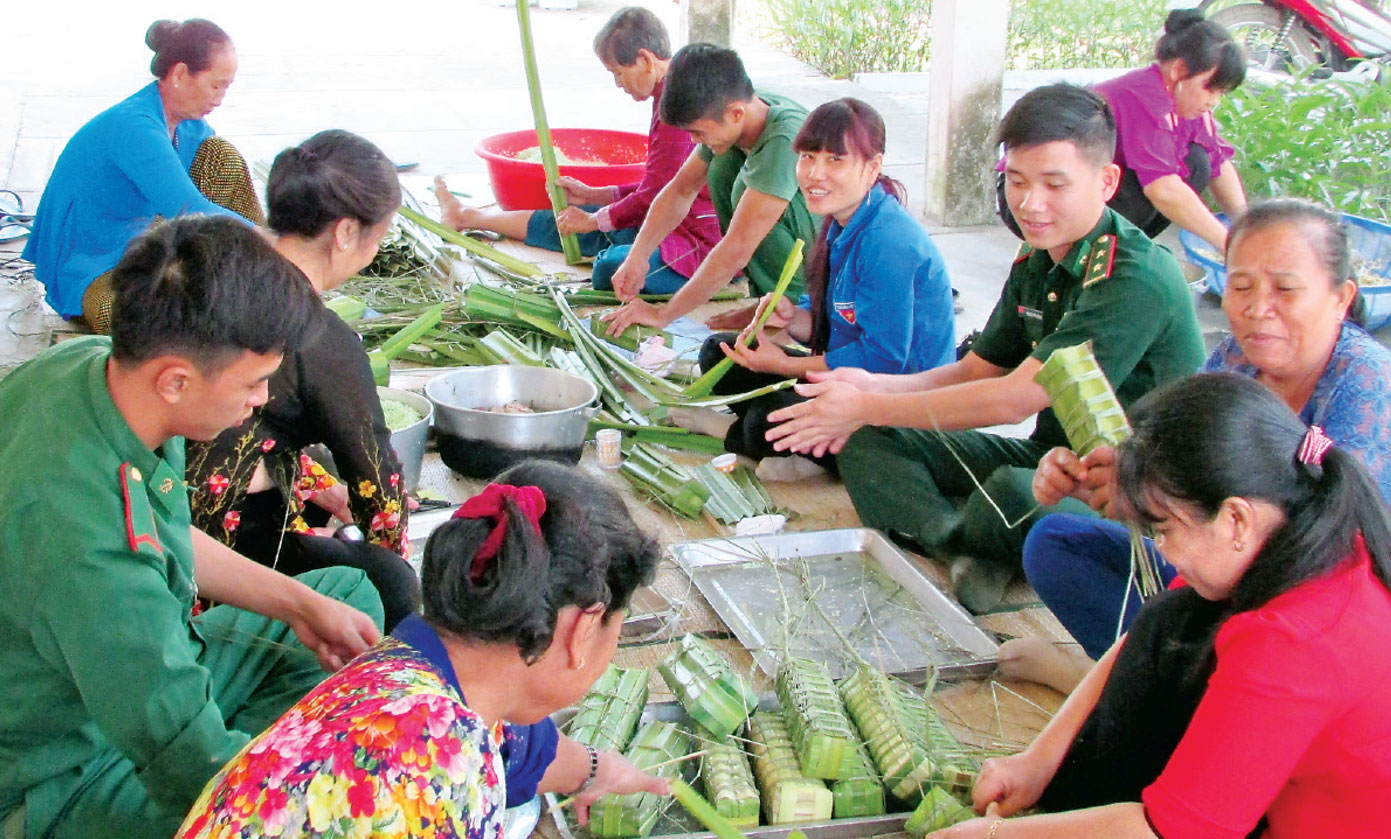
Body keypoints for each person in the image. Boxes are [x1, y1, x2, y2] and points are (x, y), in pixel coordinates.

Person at [0, 216, 384, 839]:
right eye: (254, 382)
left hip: (123, 669)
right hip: (60, 768)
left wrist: (299, 605)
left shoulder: (97, 368)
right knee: (294, 813)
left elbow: (165, 531)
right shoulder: (93, 556)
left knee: (345, 601)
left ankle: (269, 753)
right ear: (176, 380)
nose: (262, 401)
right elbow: (177, 742)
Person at [764, 84, 1205, 615]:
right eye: (1016, 181)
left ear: (1106, 182)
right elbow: (975, 368)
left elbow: (1014, 399)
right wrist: (869, 389)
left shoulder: (1133, 276)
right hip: (1050, 458)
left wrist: (865, 401)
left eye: (1054, 184)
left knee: (1016, 493)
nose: (1029, 203)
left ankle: (977, 537)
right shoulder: (1037, 257)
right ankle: (960, 543)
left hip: (1126, 490)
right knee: (871, 439)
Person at [928, 373, 1391, 839]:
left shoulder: (1295, 641)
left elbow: (1168, 833)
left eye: (1164, 530)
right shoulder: (1308, 535)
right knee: (1166, 620)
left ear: (1235, 518)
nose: (1161, 550)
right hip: (1283, 788)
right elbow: (1141, 636)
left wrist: (988, 836)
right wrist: (1035, 762)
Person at [1007, 198, 1391, 690]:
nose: (1256, 308)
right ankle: (1142, 683)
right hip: (1213, 574)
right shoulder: (1233, 359)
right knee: (1054, 543)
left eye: (1285, 289)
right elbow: (1180, 481)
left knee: (1194, 602)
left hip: (1304, 609)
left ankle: (1120, 687)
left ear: (1341, 298)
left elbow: (1326, 563)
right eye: (1240, 286)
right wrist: (1109, 485)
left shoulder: (1366, 387)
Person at [177, 461, 669, 838]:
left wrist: (598, 770)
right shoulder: (451, 766)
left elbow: (515, 747)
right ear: (583, 630)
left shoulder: (407, 663)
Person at [186, 130, 421, 631]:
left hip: (161, 498)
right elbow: (379, 488)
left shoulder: (221, 271)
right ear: (345, 233)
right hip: (204, 551)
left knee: (311, 467)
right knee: (392, 584)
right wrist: (392, 563)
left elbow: (257, 433)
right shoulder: (319, 337)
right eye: (378, 236)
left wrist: (322, 489)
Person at [677, 98, 955, 482]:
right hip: (846, 378)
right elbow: (833, 324)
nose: (815, 174)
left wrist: (787, 366)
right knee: (720, 352)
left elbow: (883, 360)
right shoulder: (843, 222)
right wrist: (793, 317)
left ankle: (735, 435)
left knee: (765, 419)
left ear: (873, 167)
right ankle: (801, 448)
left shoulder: (888, 241)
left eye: (835, 160)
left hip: (895, 406)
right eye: (808, 157)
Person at [434, 8, 720, 295]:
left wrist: (596, 220)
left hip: (693, 243)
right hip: (663, 222)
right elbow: (659, 187)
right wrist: (595, 197)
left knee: (610, 268)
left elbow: (660, 194)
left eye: (618, 73)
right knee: (575, 219)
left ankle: (619, 246)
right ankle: (467, 216)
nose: (618, 84)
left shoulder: (678, 102)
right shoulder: (667, 93)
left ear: (645, 59)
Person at [21, 18, 263, 333]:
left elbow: (198, 196)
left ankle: (261, 274)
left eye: (226, 87)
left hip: (148, 237)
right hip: (96, 259)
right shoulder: (133, 125)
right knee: (120, 314)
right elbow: (186, 205)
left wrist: (262, 238)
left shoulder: (189, 124)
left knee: (222, 157)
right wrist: (264, 239)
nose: (220, 97)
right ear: (179, 74)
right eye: (216, 85)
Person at [600, 43, 819, 336]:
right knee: (720, 160)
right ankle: (770, 303)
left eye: (697, 132)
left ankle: (793, 306)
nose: (692, 141)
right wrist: (637, 257)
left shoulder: (783, 138)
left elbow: (735, 250)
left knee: (741, 185)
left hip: (823, 267)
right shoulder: (739, 108)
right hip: (794, 235)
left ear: (736, 113)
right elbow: (680, 190)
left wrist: (664, 314)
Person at [1001, 10, 1248, 251]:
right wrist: (1229, 246)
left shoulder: (1189, 105)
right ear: (1179, 71)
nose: (1213, 101)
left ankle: (1118, 248)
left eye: (1221, 93)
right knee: (1151, 188)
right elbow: (1162, 190)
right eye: (1210, 88)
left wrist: (1245, 227)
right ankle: (1090, 252)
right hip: (1035, 193)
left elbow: (1218, 163)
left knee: (1198, 162)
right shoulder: (1144, 97)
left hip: (1076, 188)